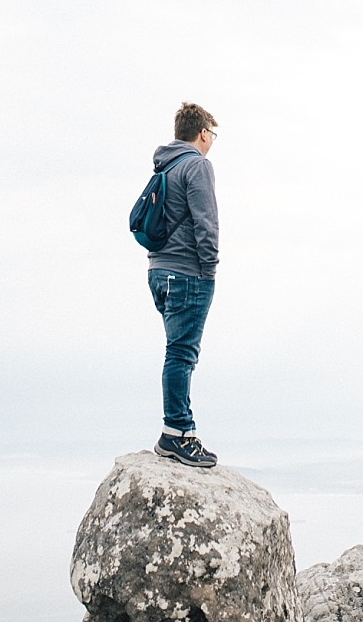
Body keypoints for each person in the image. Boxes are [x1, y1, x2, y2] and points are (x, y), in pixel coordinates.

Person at [147, 102, 221, 468]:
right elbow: (206, 224)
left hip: (159, 272)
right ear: (203, 133)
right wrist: (209, 270)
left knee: (177, 351)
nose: (213, 140)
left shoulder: (166, 165)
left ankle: (181, 431)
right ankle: (176, 432)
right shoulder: (197, 166)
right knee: (182, 353)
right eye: (213, 133)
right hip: (187, 272)